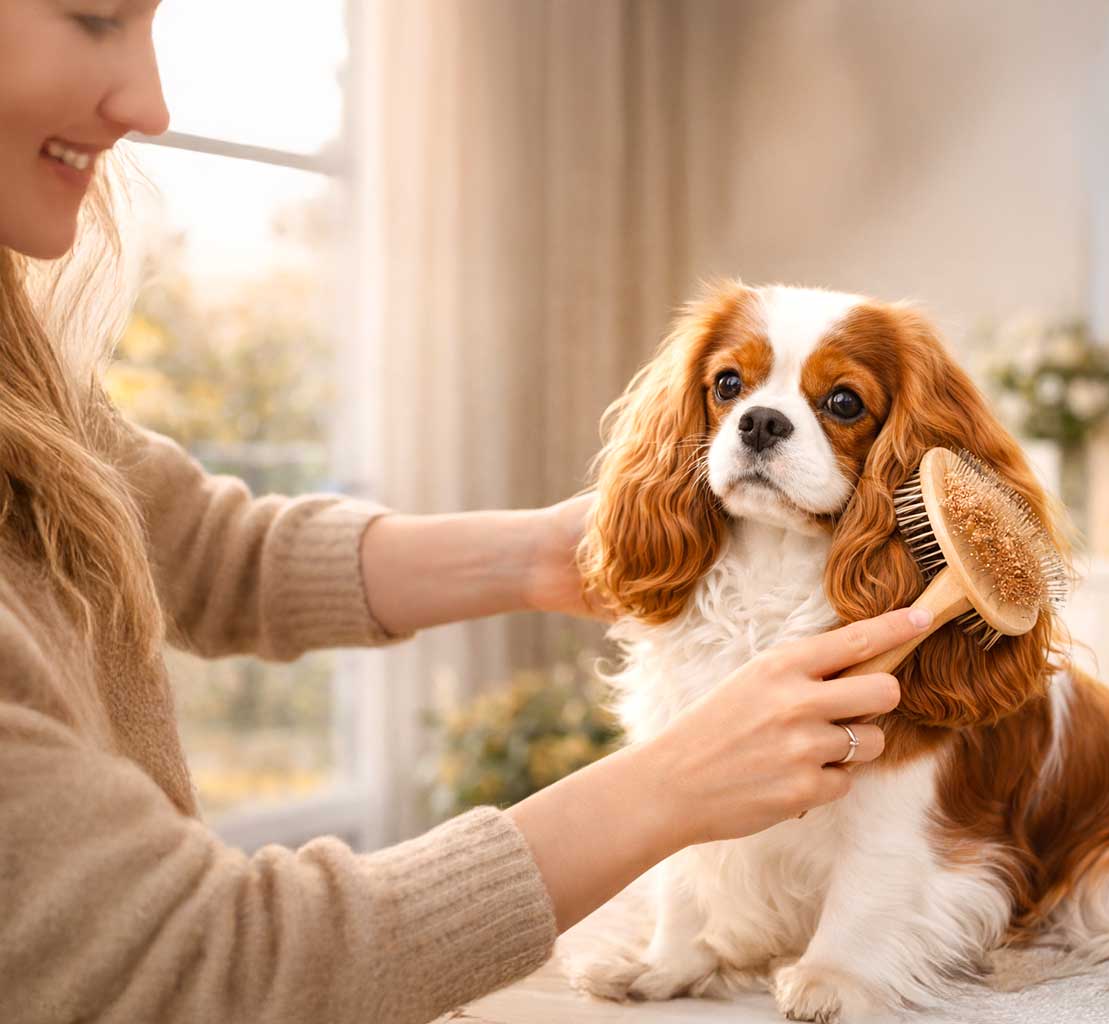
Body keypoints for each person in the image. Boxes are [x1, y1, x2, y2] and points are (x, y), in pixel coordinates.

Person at [0, 3, 932, 1021]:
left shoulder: (21, 379)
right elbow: (202, 964)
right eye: (93, 16)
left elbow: (189, 542)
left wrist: (539, 552)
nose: (152, 103)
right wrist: (667, 785)